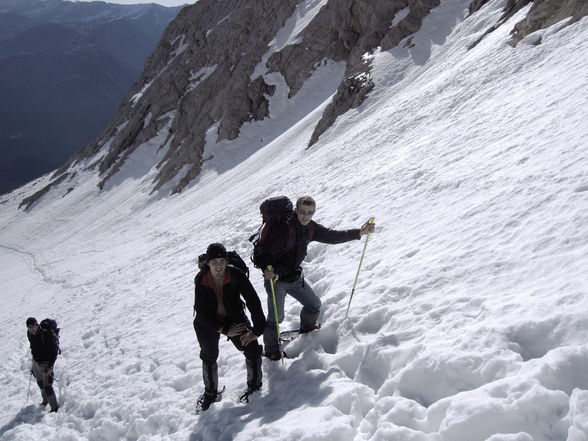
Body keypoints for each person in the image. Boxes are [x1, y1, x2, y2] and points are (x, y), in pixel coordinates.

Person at [257, 195, 375, 360]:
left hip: (295, 277)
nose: (306, 216)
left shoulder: (310, 228)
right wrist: (266, 269)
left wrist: (359, 232)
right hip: (277, 280)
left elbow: (332, 236)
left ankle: (307, 329)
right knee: (276, 318)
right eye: (303, 211)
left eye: (310, 212)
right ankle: (270, 351)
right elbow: (261, 253)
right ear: (296, 210)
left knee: (314, 305)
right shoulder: (283, 229)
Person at [193, 243, 266, 412]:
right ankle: (211, 393)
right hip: (208, 323)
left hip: (233, 318)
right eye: (214, 262)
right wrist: (224, 330)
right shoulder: (202, 280)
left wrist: (257, 331)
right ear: (208, 264)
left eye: (221, 261)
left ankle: (254, 387)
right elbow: (202, 314)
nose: (218, 266)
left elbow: (253, 301)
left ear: (226, 262)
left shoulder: (236, 275)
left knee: (251, 346)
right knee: (209, 355)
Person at [26, 317, 60, 412]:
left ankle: (55, 407)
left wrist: (50, 366)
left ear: (37, 325)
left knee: (47, 386)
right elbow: (33, 347)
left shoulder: (45, 334)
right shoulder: (29, 333)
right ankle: (45, 401)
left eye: (33, 326)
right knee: (40, 383)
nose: (31, 329)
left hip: (46, 363)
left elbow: (53, 352)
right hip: (36, 362)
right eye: (29, 327)